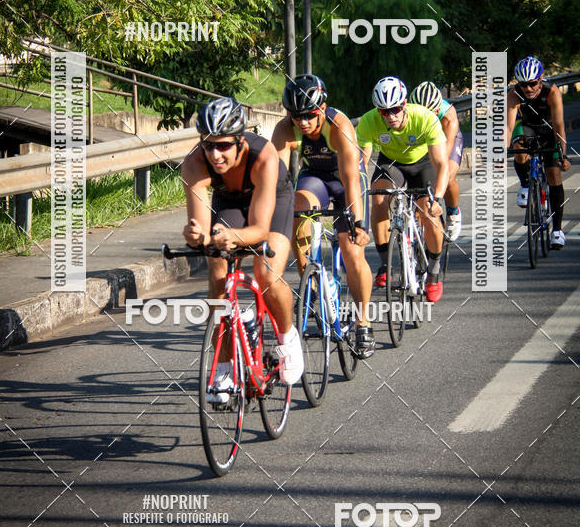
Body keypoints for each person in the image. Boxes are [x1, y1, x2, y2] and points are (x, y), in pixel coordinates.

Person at [182, 96, 303, 397]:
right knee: (217, 275)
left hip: (272, 201)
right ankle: (223, 368)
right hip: (230, 201)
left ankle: (288, 338)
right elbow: (200, 228)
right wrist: (197, 236)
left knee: (265, 274)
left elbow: (261, 229)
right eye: (208, 144)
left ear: (239, 141)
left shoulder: (264, 156)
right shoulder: (194, 163)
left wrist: (234, 237)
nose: (215, 153)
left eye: (223, 145)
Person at [272, 74, 374, 359]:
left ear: (322, 108)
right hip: (315, 178)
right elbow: (276, 180)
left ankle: (363, 321)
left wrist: (358, 222)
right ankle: (311, 282)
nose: (302, 123)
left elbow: (352, 179)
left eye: (309, 115)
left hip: (347, 182)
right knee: (296, 209)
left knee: (353, 250)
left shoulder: (338, 126)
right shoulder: (284, 129)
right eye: (296, 116)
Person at [356, 76, 449, 303]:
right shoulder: (368, 121)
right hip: (392, 163)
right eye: (384, 112)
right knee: (378, 198)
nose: (391, 116)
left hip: (423, 163)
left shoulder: (425, 118)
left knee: (428, 211)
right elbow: (361, 162)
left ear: (405, 103)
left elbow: (441, 164)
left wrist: (437, 197)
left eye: (396, 109)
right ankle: (385, 265)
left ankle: (434, 271)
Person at [506, 56, 570, 248]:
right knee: (518, 144)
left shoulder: (552, 93)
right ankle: (526, 184)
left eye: (532, 84)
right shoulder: (514, 94)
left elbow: (559, 125)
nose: (528, 89)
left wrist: (563, 155)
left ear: (540, 79)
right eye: (523, 85)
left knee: (553, 174)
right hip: (528, 128)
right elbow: (508, 128)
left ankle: (557, 231)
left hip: (549, 131)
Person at [409, 81, 464, 241]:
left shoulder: (448, 116)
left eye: (428, 114)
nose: (423, 117)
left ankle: (453, 212)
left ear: (437, 110)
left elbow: (443, 160)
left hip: (446, 138)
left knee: (447, 177)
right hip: (423, 139)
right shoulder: (407, 110)